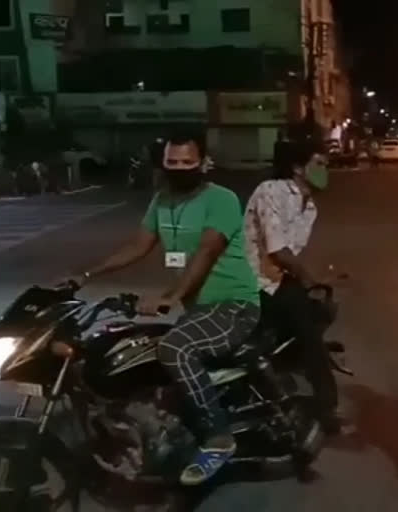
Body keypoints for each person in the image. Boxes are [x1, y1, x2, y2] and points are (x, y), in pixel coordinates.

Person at [69, 129, 261, 485]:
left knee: (174, 347)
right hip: (198, 310)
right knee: (132, 349)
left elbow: (207, 252)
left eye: (188, 162)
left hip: (232, 305)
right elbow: (139, 245)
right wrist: (86, 274)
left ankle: (220, 437)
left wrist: (171, 296)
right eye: (172, 162)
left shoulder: (221, 199)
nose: (179, 168)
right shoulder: (161, 201)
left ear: (203, 163)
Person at [243, 140, 342, 433]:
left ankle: (279, 375)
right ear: (299, 168)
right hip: (251, 280)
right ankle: (326, 407)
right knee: (310, 335)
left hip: (275, 280)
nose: (326, 171)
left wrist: (314, 280)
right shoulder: (271, 191)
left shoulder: (308, 207)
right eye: (320, 164)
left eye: (327, 165)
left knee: (322, 309)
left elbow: (288, 258)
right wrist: (310, 281)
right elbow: (278, 250)